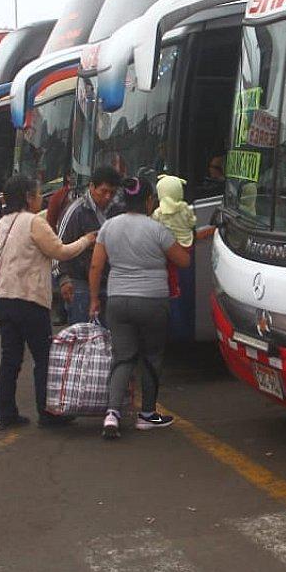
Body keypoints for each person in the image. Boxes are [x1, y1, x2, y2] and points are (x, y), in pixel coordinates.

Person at [0, 174, 96, 430]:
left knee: (10, 358)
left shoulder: (1, 224)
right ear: (28, 197)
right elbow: (60, 251)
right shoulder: (34, 223)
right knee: (43, 357)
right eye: (37, 194)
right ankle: (47, 413)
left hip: (3, 298)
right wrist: (87, 240)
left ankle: (5, 413)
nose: (39, 199)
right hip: (30, 299)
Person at [88, 176, 190, 439]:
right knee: (152, 357)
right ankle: (147, 415)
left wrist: (94, 299)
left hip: (118, 300)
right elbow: (183, 260)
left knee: (123, 357)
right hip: (153, 301)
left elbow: (96, 266)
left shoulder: (109, 227)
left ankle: (112, 414)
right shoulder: (157, 230)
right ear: (148, 201)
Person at [54, 166, 121, 324]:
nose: (107, 197)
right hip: (80, 282)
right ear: (92, 187)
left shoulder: (118, 211)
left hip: (111, 282)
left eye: (112, 193)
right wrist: (63, 279)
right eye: (103, 191)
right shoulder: (75, 211)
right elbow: (58, 248)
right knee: (82, 333)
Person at [152, 173, 196, 299]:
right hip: (187, 245)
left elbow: (153, 226)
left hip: (171, 248)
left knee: (171, 271)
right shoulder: (185, 208)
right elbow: (192, 222)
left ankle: (174, 292)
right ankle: (185, 292)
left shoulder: (159, 212)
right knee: (186, 272)